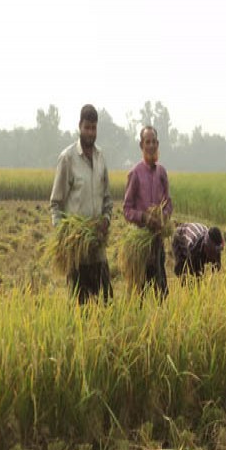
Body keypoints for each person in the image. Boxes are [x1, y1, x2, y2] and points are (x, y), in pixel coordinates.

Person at [50, 104, 113, 304]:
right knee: (80, 307)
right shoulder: (67, 159)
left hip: (98, 248)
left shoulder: (101, 157)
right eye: (87, 127)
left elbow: (108, 200)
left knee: (106, 302)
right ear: (80, 126)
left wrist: (106, 220)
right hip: (77, 252)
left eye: (94, 128)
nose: (90, 132)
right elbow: (55, 205)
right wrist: (66, 235)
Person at [123, 126, 172, 298]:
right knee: (140, 296)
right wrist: (144, 217)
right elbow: (127, 210)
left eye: (153, 142)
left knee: (162, 294)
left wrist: (163, 216)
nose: (151, 145)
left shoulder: (162, 173)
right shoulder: (135, 174)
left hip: (157, 244)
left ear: (158, 144)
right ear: (141, 145)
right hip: (141, 247)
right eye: (147, 142)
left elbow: (168, 203)